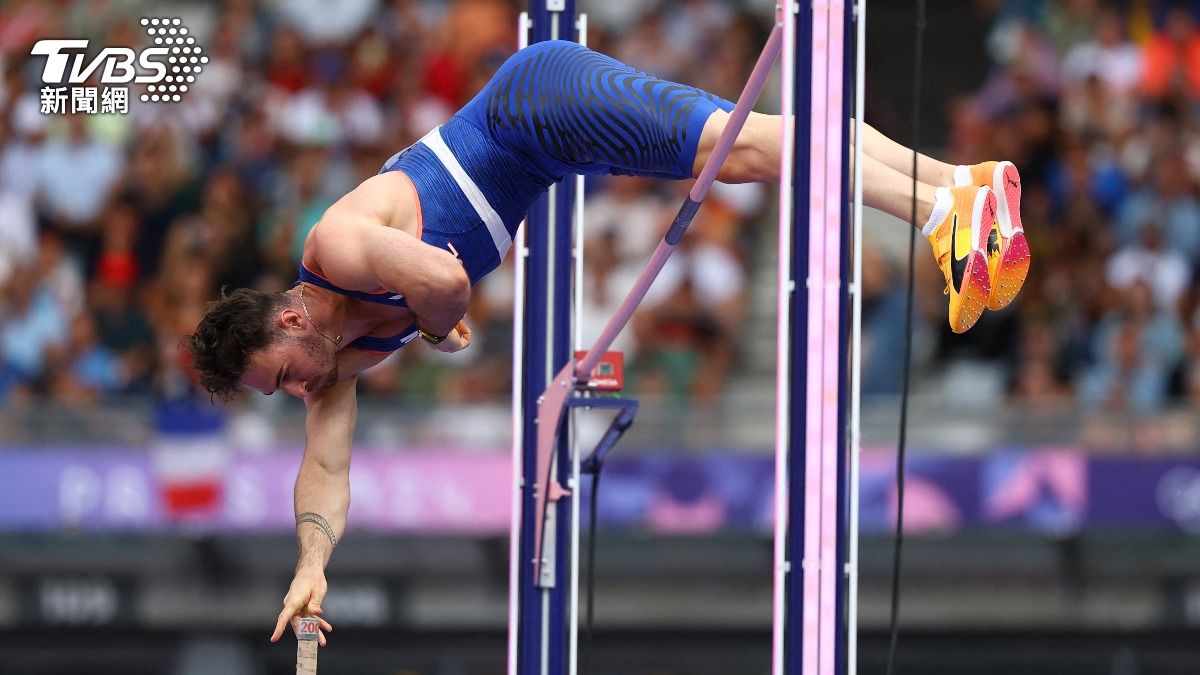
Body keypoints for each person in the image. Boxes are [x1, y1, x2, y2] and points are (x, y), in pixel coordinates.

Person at [182, 40, 1029, 646]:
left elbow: (443, 286)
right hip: (545, 148)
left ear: (289, 319)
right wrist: (311, 560)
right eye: (283, 393)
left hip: (533, 102)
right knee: (747, 150)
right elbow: (325, 468)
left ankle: (944, 209)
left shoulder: (338, 246)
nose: (299, 392)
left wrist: (440, 328)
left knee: (737, 152)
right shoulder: (335, 360)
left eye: (285, 376)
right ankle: (961, 187)